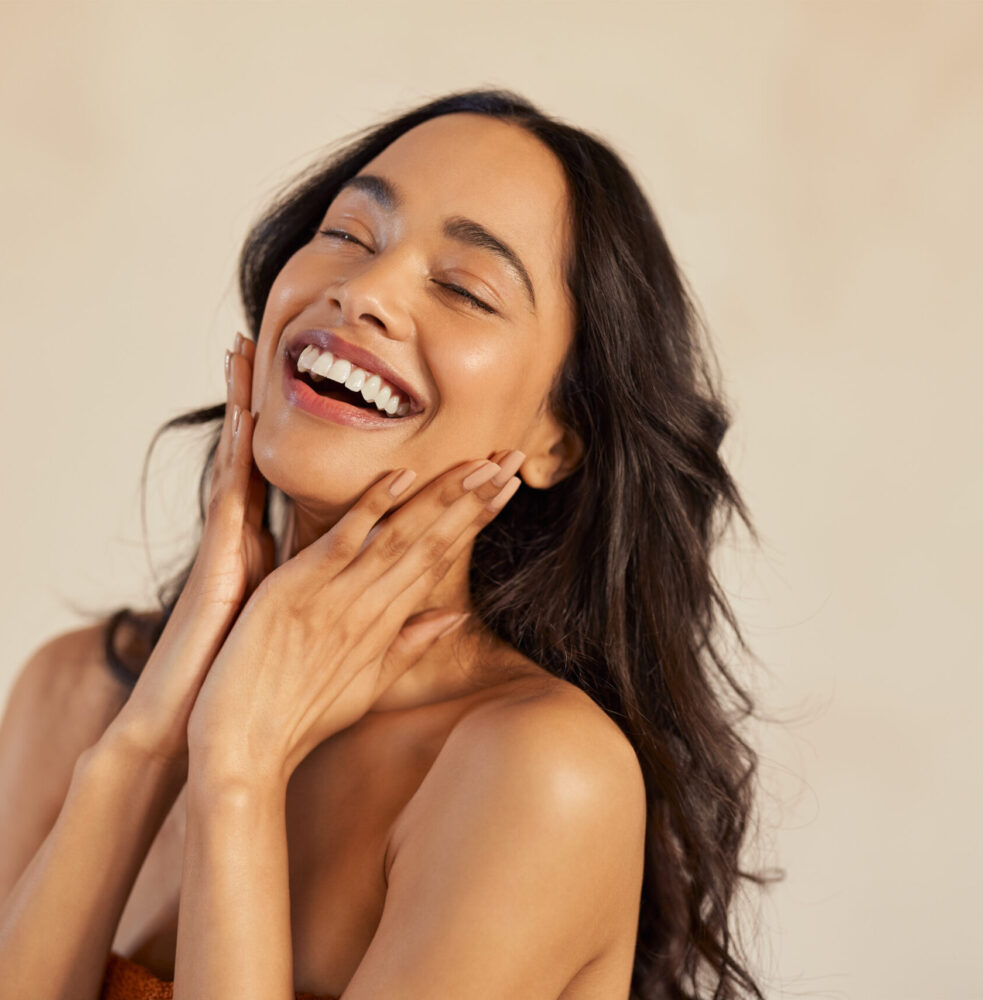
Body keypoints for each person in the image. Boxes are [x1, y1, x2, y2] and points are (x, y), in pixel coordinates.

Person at [0, 88, 772, 999]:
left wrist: (239, 771)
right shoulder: (76, 693)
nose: (361, 292)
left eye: (463, 289)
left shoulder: (540, 774)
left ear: (559, 438)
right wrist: (143, 747)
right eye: (348, 235)